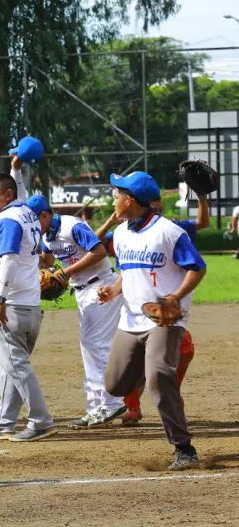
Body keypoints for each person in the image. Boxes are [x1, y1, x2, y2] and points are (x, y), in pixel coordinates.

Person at [98, 171, 207, 471]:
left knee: (159, 377)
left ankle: (184, 448)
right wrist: (113, 290)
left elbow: (197, 267)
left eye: (118, 194)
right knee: (115, 385)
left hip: (165, 319)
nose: (114, 199)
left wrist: (176, 297)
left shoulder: (168, 232)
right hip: (131, 319)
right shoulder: (121, 234)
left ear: (130, 200)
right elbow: (129, 271)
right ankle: (151, 368)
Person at [15, 158, 125, 429]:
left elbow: (98, 251)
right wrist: (38, 262)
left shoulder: (71, 225)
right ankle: (96, 407)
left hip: (101, 288)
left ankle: (110, 404)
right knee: (89, 347)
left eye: (34, 220)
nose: (33, 225)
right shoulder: (46, 236)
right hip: (83, 293)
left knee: (95, 346)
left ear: (45, 215)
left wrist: (66, 272)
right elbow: (49, 260)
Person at [0, 172, 55, 442]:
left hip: (10, 307)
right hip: (28, 305)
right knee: (10, 368)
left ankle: (41, 421)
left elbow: (9, 259)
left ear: (8, 196)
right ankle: (4, 422)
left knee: (17, 368)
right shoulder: (26, 213)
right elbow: (21, 193)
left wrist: (0, 298)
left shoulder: (8, 220)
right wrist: (16, 169)